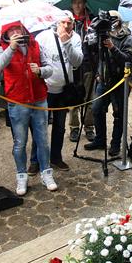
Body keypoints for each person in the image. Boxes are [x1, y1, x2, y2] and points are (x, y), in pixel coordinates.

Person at [0, 21, 57, 195]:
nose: (15, 32)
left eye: (18, 28)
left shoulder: (35, 45)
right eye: (10, 30)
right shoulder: (3, 48)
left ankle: (47, 173)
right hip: (18, 101)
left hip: (39, 99)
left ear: (24, 29)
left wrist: (40, 71)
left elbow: (49, 69)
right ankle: (21, 176)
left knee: (43, 139)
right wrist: (12, 48)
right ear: (6, 35)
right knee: (20, 142)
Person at [33, 11, 83, 171]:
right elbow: (36, 60)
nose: (66, 26)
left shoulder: (75, 38)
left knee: (60, 127)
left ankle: (56, 157)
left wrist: (66, 42)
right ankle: (35, 161)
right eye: (63, 22)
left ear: (73, 23)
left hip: (64, 90)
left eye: (69, 23)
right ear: (56, 22)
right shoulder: (42, 37)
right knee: (40, 127)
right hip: (45, 89)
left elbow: (77, 61)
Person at [84, 11, 132, 156]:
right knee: (96, 109)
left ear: (118, 21)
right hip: (103, 80)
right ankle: (100, 140)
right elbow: (98, 57)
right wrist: (99, 73)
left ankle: (115, 144)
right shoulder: (101, 35)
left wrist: (113, 47)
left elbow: (128, 59)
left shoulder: (127, 37)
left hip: (119, 81)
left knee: (118, 114)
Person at [67, 0, 95, 143]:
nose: (77, 6)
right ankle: (74, 127)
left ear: (84, 4)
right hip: (72, 65)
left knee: (89, 98)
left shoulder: (91, 20)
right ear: (71, 5)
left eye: (80, 3)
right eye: (75, 3)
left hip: (88, 63)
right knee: (72, 98)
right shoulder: (66, 21)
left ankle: (89, 127)